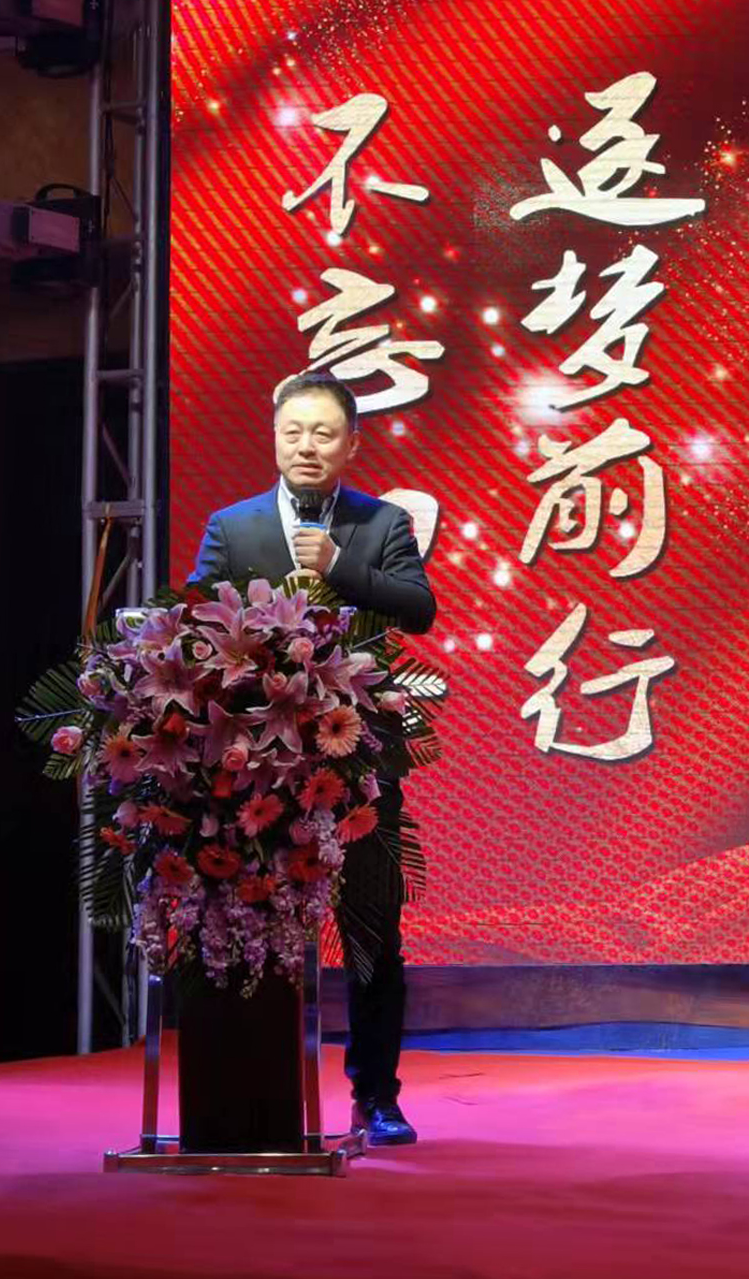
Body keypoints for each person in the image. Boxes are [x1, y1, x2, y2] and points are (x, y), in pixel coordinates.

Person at [188, 369, 435, 1146]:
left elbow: (418, 608)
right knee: (250, 917)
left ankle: (377, 1095)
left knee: (372, 933)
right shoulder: (232, 526)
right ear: (274, 437)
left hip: (358, 758)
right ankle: (251, 1091)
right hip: (256, 766)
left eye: (323, 433)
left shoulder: (380, 522)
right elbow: (191, 620)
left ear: (351, 444)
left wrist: (338, 565)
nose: (306, 445)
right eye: (293, 431)